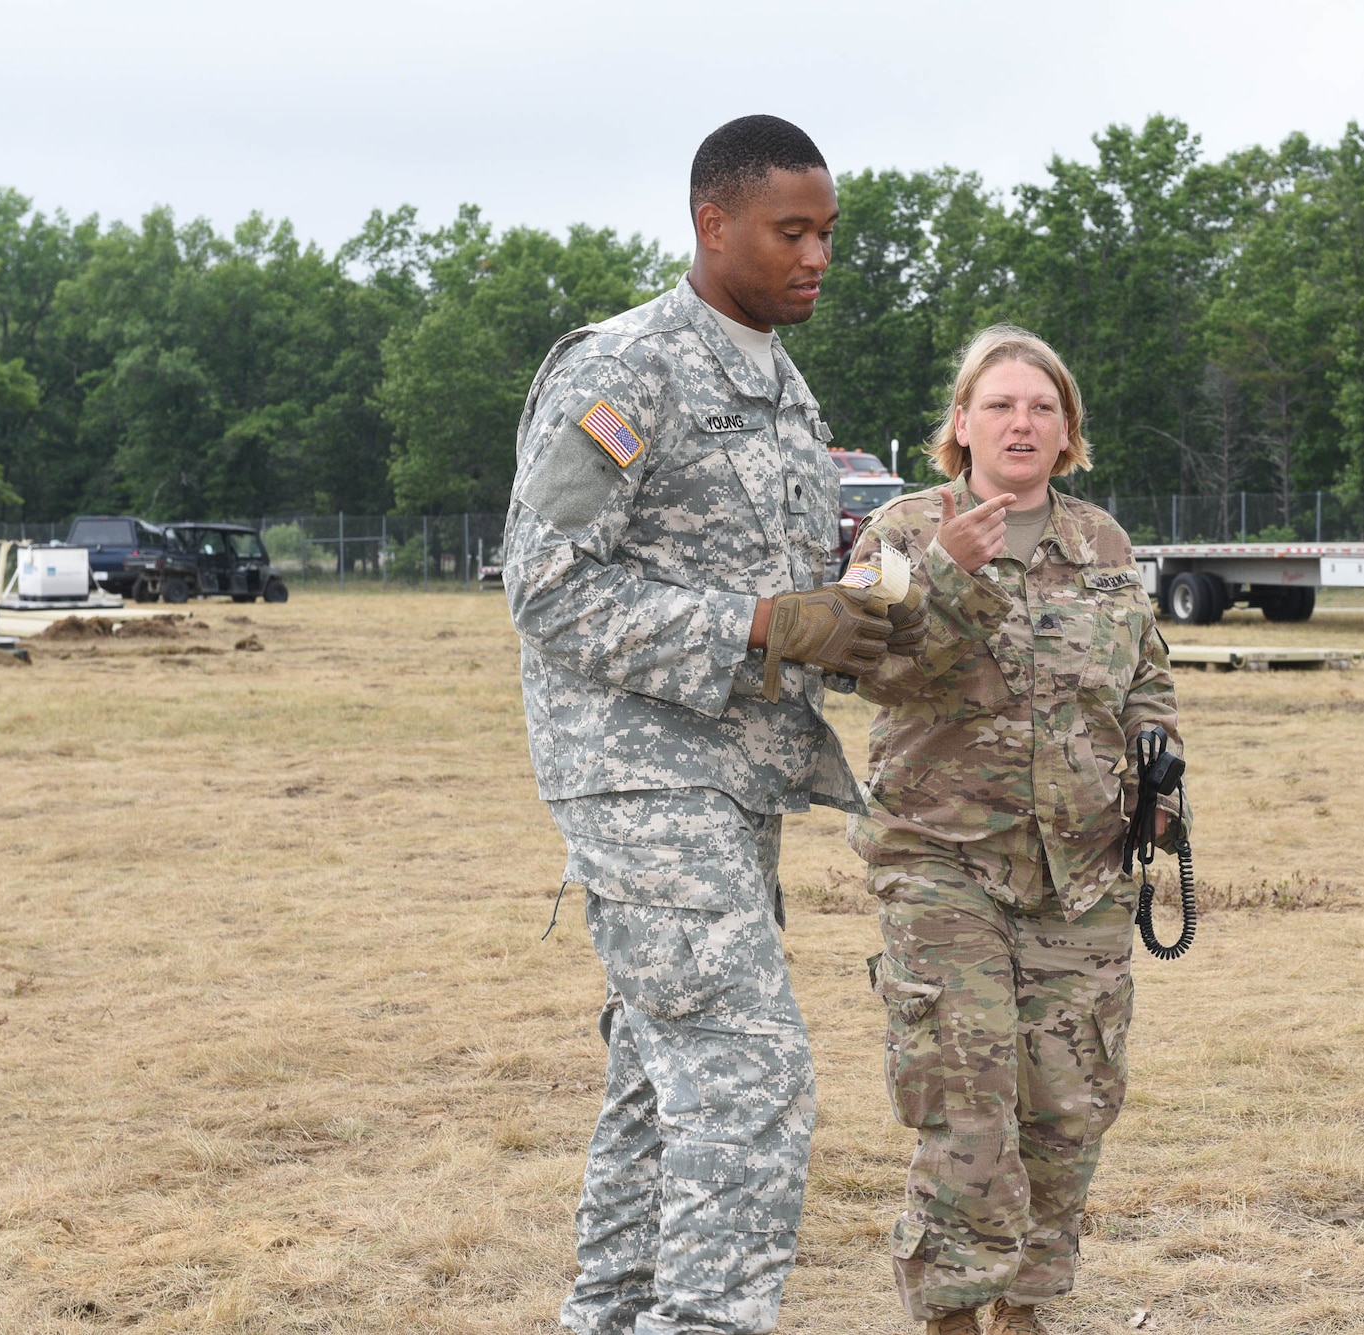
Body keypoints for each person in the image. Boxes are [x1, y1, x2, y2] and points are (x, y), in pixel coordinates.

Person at [502, 115, 922, 1335]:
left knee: (658, 1073)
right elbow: (544, 586)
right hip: (638, 783)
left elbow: (786, 589)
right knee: (748, 1078)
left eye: (828, 233)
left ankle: (611, 1316)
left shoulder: (782, 390)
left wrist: (853, 617)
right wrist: (758, 625)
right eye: (791, 231)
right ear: (711, 223)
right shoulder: (622, 371)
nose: (817, 256)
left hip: (734, 781)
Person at [844, 326, 1186, 1335]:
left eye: (1041, 406)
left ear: (1067, 429)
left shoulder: (1102, 544)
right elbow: (869, 667)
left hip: (1080, 873)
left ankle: (1027, 1311)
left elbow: (1144, 676)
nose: (1020, 422)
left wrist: (1158, 762)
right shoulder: (902, 532)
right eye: (998, 404)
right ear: (960, 424)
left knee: (1067, 1104)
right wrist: (942, 574)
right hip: (942, 865)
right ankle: (952, 1312)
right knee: (967, 1099)